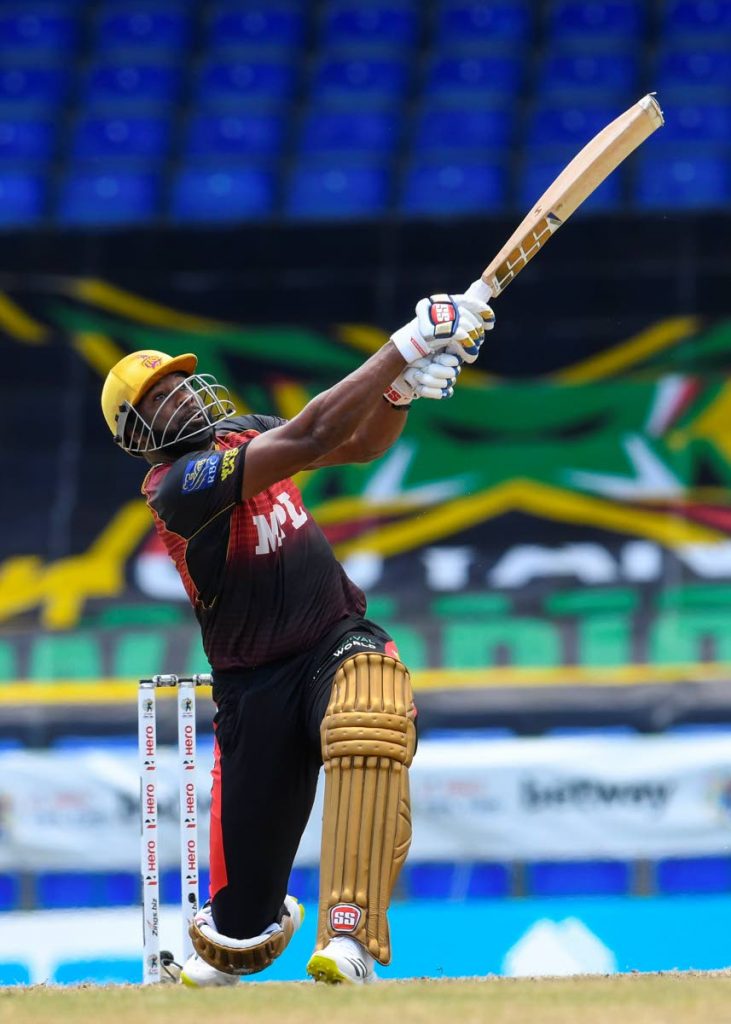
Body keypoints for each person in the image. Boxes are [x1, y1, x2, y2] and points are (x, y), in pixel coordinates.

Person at [101, 284, 494, 986]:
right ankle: (222, 952)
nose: (183, 396)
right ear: (137, 433)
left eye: (180, 382)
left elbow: (356, 443)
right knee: (241, 927)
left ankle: (349, 938)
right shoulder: (177, 486)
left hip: (332, 637)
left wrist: (399, 392)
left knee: (369, 716)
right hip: (254, 686)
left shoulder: (239, 429)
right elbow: (312, 433)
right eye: (159, 398)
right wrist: (404, 345)